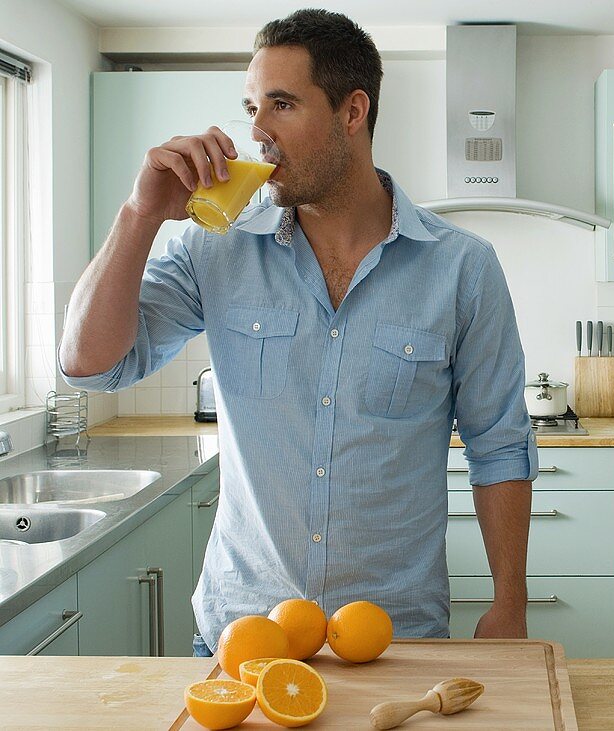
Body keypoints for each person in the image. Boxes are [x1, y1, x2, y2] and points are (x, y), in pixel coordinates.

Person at [59, 9, 536, 655]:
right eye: (252, 107)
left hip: (394, 638)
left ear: (352, 111)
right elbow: (89, 364)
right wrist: (140, 213)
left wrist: (510, 603)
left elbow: (499, 444)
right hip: (242, 634)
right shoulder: (214, 248)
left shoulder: (461, 267)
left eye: (281, 105)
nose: (256, 132)